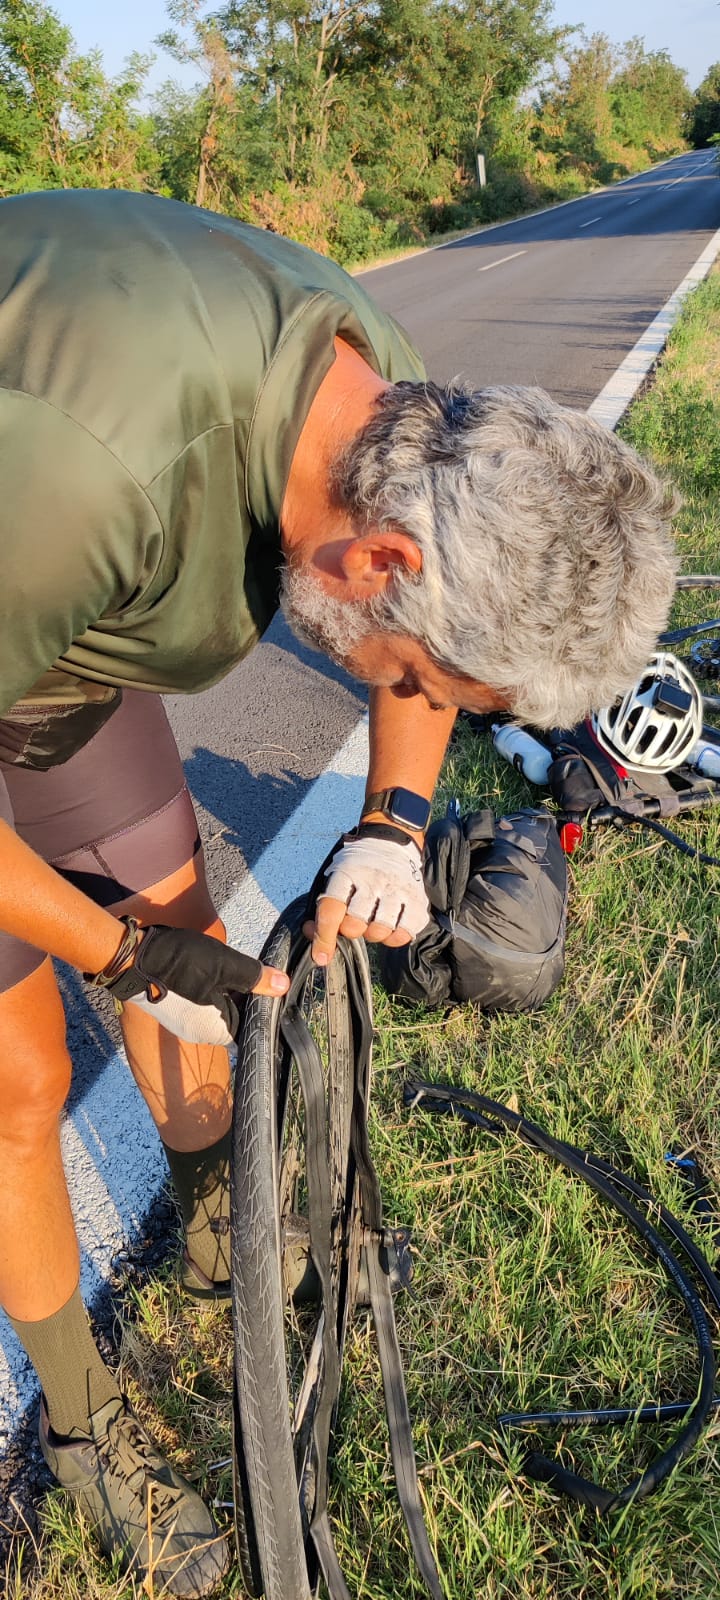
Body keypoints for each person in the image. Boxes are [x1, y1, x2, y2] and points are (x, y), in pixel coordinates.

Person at [0, 188, 677, 1596]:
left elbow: (417, 649)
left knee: (193, 933)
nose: (408, 704)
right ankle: (78, 1423)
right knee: (14, 1082)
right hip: (34, 555)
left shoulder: (389, 404)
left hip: (52, 648)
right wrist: (110, 956)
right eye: (417, 685)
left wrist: (395, 815)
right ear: (382, 562)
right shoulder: (79, 474)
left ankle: (215, 1233)